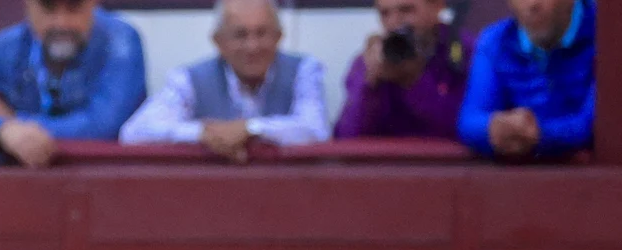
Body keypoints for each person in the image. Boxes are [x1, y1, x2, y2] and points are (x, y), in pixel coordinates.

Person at [0, 0, 147, 168]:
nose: (61, 23)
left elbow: (103, 126)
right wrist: (2, 131)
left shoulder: (121, 41)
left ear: (93, 4)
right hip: (24, 190)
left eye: (74, 8)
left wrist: (13, 120)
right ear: (28, 6)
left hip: (107, 183)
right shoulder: (5, 47)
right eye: (48, 8)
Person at [119, 0, 330, 161]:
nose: (252, 46)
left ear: (279, 36)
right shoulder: (189, 78)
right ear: (218, 42)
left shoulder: (304, 70)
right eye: (240, 35)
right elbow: (134, 132)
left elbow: (317, 130)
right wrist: (204, 134)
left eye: (262, 33)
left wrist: (250, 129)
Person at [456, 0, 594, 159]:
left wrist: (540, 135)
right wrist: (495, 127)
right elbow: (469, 121)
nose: (532, 4)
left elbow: (597, 125)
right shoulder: (495, 42)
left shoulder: (606, 36)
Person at [333, 0, 472, 139]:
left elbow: (466, 129)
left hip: (446, 159)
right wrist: (370, 85)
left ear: (437, 6)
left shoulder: (466, 52)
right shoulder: (370, 59)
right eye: (384, 13)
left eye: (406, 10)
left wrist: (414, 82)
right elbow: (345, 137)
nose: (394, 22)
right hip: (387, 159)